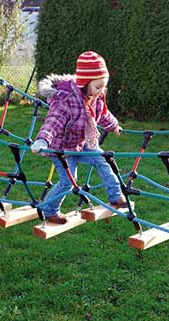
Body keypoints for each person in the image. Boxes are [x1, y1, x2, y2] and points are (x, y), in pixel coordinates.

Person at [31, 51, 126, 224]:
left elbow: (102, 114)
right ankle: (49, 209)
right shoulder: (66, 99)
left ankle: (115, 196)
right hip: (62, 148)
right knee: (69, 181)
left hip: (83, 142)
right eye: (98, 87)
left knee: (103, 159)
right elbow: (54, 121)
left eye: (104, 86)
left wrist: (114, 126)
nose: (101, 91)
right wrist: (43, 140)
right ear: (84, 84)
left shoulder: (94, 96)